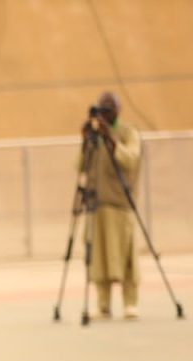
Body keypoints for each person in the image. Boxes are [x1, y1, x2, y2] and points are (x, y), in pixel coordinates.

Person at [82, 91, 142, 320]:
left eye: (108, 108)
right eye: (101, 108)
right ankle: (103, 304)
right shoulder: (95, 136)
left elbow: (130, 159)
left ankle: (130, 302)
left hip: (120, 204)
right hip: (98, 205)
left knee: (126, 256)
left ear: (118, 109)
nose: (105, 113)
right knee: (99, 256)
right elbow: (81, 166)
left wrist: (112, 139)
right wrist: (86, 139)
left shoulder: (128, 133)